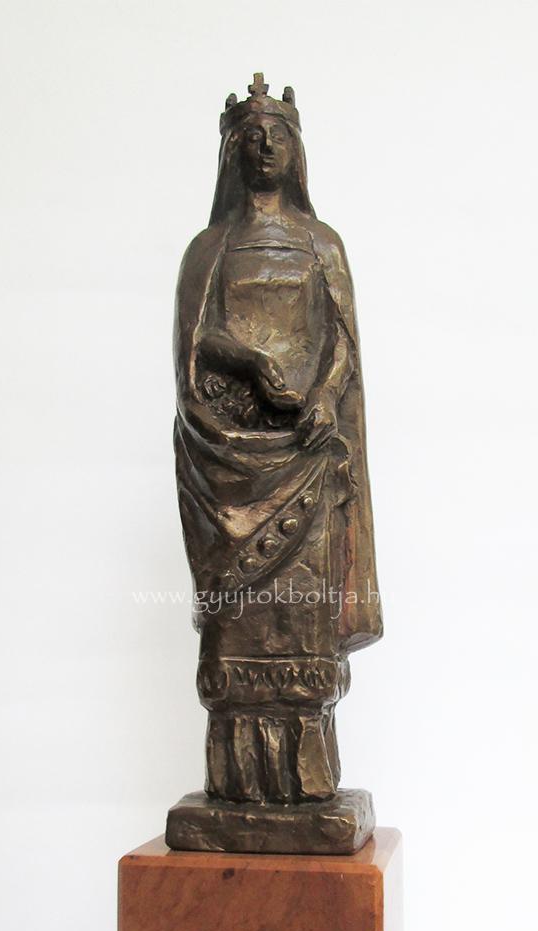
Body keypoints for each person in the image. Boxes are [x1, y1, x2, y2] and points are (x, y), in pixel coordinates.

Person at [174, 74, 382, 804]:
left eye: (279, 135)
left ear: (297, 151)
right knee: (237, 630)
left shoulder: (321, 244)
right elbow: (192, 350)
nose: (265, 147)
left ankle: (306, 776)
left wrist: (322, 396)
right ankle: (236, 784)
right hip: (231, 457)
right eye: (251, 137)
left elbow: (343, 343)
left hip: (305, 457)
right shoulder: (209, 248)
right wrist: (251, 361)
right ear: (231, 152)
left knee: (302, 622)